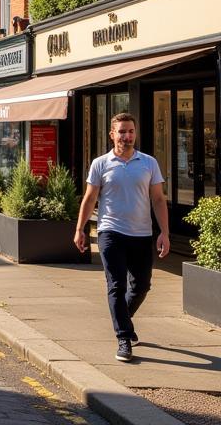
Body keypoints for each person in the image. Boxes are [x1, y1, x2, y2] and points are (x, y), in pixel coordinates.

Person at [75, 112, 169, 364]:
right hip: (110, 232)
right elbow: (90, 199)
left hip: (142, 234)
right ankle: (124, 338)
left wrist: (165, 233)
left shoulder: (148, 163)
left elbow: (158, 199)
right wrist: (80, 229)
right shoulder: (100, 164)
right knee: (117, 285)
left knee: (142, 285)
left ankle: (122, 319)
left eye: (131, 132)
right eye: (122, 132)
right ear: (112, 135)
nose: (127, 137)